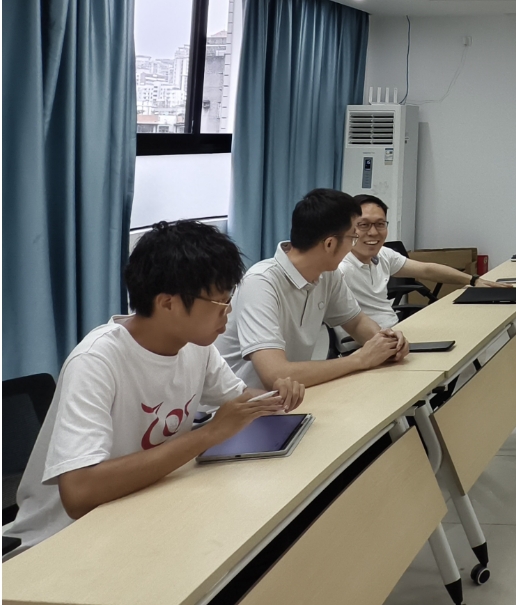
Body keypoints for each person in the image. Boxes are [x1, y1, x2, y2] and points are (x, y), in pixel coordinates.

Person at [3, 221, 304, 553]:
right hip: (59, 541)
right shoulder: (96, 361)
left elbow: (240, 400)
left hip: (141, 512)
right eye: (220, 303)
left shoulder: (195, 346)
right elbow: (79, 493)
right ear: (168, 303)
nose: (228, 313)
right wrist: (209, 434)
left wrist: (277, 395)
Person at [217, 188, 408, 389]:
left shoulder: (328, 274)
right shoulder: (261, 283)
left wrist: (387, 343)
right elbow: (276, 376)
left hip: (293, 395)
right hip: (245, 402)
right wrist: (359, 360)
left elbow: (356, 322)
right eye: (353, 238)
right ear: (329, 244)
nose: (353, 245)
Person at [341, 194, 491, 330]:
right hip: (364, 344)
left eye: (380, 224)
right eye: (363, 225)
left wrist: (473, 280)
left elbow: (426, 270)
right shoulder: (340, 268)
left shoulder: (383, 255)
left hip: (393, 332)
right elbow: (352, 324)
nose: (373, 232)